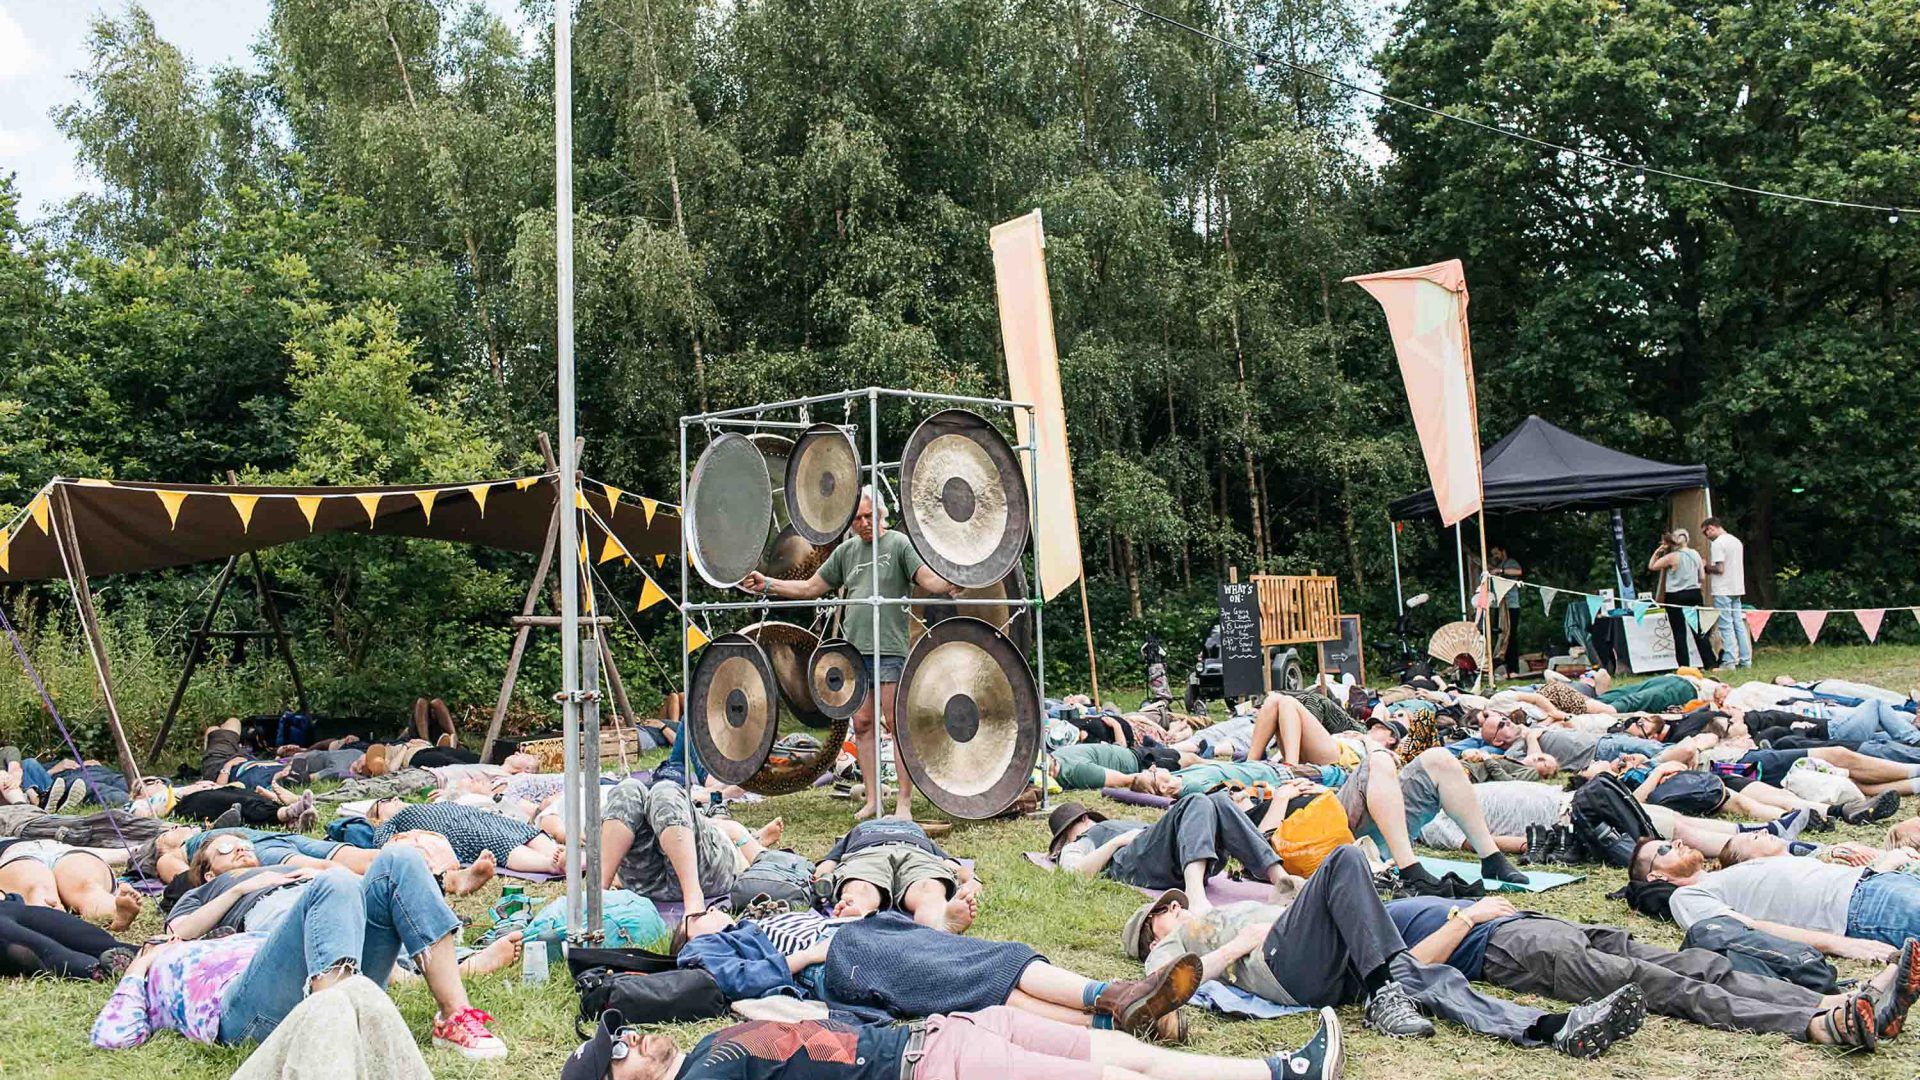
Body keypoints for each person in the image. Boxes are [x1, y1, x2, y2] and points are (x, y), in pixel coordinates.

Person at [1131, 845, 1643, 1058]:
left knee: (1419, 974)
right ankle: (1384, 994)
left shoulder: (1228, 909)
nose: (1175, 906)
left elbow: (1302, 897)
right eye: (1165, 909)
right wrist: (1240, 945)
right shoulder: (1169, 944)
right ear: (1152, 929)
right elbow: (1171, 987)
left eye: (1173, 905)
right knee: (1344, 858)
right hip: (1282, 964)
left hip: (1321, 953)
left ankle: (1552, 1028)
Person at [93, 845, 506, 1057]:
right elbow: (112, 1036)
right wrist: (141, 964)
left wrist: (314, 875)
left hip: (317, 950)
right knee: (337, 887)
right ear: (205, 871)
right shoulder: (171, 949)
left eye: (242, 843)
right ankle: (334, 1046)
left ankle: (455, 1016)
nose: (238, 849)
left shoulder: (256, 920)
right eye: (224, 847)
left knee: (398, 858)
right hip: (243, 1010)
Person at [1389, 894, 1900, 1049]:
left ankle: (1836, 1002)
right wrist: (1468, 916)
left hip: (1540, 926)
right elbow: (1410, 970)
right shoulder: (1361, 931)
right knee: (1669, 986)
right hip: (1509, 947)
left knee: (1698, 964)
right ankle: (1814, 1025)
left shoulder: (1369, 900)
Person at [739, 488, 962, 821]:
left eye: (869, 516)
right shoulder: (847, 552)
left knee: (895, 724)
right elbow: (811, 587)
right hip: (853, 654)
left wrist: (950, 581)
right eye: (858, 518)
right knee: (863, 724)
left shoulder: (899, 545)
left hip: (889, 650)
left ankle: (902, 802)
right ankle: (873, 800)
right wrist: (768, 584)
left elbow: (926, 579)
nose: (864, 523)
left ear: (882, 515)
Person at [677, 907, 1201, 1040]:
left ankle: (1120, 1018)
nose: (706, 910)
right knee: (985, 969)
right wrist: (808, 956)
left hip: (869, 935)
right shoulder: (704, 948)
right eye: (695, 915)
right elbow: (735, 985)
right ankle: (1114, 997)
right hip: (843, 958)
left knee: (980, 977)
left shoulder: (755, 920)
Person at [561, 1001, 1345, 1080]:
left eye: (625, 1033)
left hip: (946, 1034)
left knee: (1127, 1055)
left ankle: (1274, 1069)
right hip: (936, 1067)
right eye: (618, 1053)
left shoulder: (707, 1054)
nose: (636, 1040)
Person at [1633, 836, 1920, 959]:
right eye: (1664, 850)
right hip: (1861, 908)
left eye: (1672, 841)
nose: (1677, 843)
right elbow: (1749, 929)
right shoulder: (1687, 896)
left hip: (1879, 884)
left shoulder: (1729, 873)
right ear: (1656, 877)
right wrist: (1842, 945)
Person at [1048, 794, 1298, 911]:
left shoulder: (1112, 825)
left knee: (1220, 801)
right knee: (1196, 801)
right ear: (1074, 827)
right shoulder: (1079, 841)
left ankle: (1281, 880)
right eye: (1081, 821)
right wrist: (1115, 843)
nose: (1086, 823)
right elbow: (1074, 873)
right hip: (1137, 863)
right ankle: (1195, 894)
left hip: (1175, 855)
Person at [599, 776, 789, 911]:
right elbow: (760, 857)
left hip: (662, 881)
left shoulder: (726, 829)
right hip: (693, 873)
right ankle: (693, 900)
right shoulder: (724, 828)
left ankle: (599, 893)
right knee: (642, 789)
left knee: (647, 790)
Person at [812, 818, 979, 931]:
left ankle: (938, 922)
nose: (890, 817)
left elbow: (950, 864)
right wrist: (820, 878)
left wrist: (971, 880)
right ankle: (855, 914)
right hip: (869, 852)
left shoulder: (917, 831)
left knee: (927, 887)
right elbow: (828, 864)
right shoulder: (858, 830)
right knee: (861, 887)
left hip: (916, 852)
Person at [0, 838, 143, 930]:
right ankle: (111, 910)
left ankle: (54, 919)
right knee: (85, 888)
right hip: (29, 852)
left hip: (52, 850)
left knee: (83, 885)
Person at [0, 892, 134, 979]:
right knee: (44, 949)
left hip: (9, 906)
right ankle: (98, 971)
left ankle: (146, 955)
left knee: (93, 941)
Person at [1649, 529, 1714, 667]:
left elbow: (1652, 566)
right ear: (1687, 540)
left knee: (1679, 632)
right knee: (1700, 630)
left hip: (1675, 596)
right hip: (1694, 593)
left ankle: (1684, 665)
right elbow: (1702, 578)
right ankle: (1710, 663)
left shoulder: (1672, 557)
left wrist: (1659, 550)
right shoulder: (1695, 554)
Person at [1702, 518, 1751, 669]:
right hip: (1736, 587)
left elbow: (1720, 569)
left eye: (1706, 533)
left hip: (1723, 588)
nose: (1706, 536)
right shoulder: (1736, 541)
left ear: (1711, 528)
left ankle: (1729, 661)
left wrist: (1705, 567)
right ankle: (1745, 659)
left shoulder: (1717, 543)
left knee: (1725, 626)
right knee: (1738, 624)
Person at [1488, 543, 1524, 676]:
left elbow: (1518, 572)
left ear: (1503, 551)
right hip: (1498, 605)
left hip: (1510, 606)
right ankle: (1500, 667)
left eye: (1497, 553)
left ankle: (1513, 668)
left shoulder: (1510, 562)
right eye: (1493, 555)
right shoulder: (1494, 564)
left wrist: (1500, 571)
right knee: (1499, 635)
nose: (1495, 557)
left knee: (1511, 636)